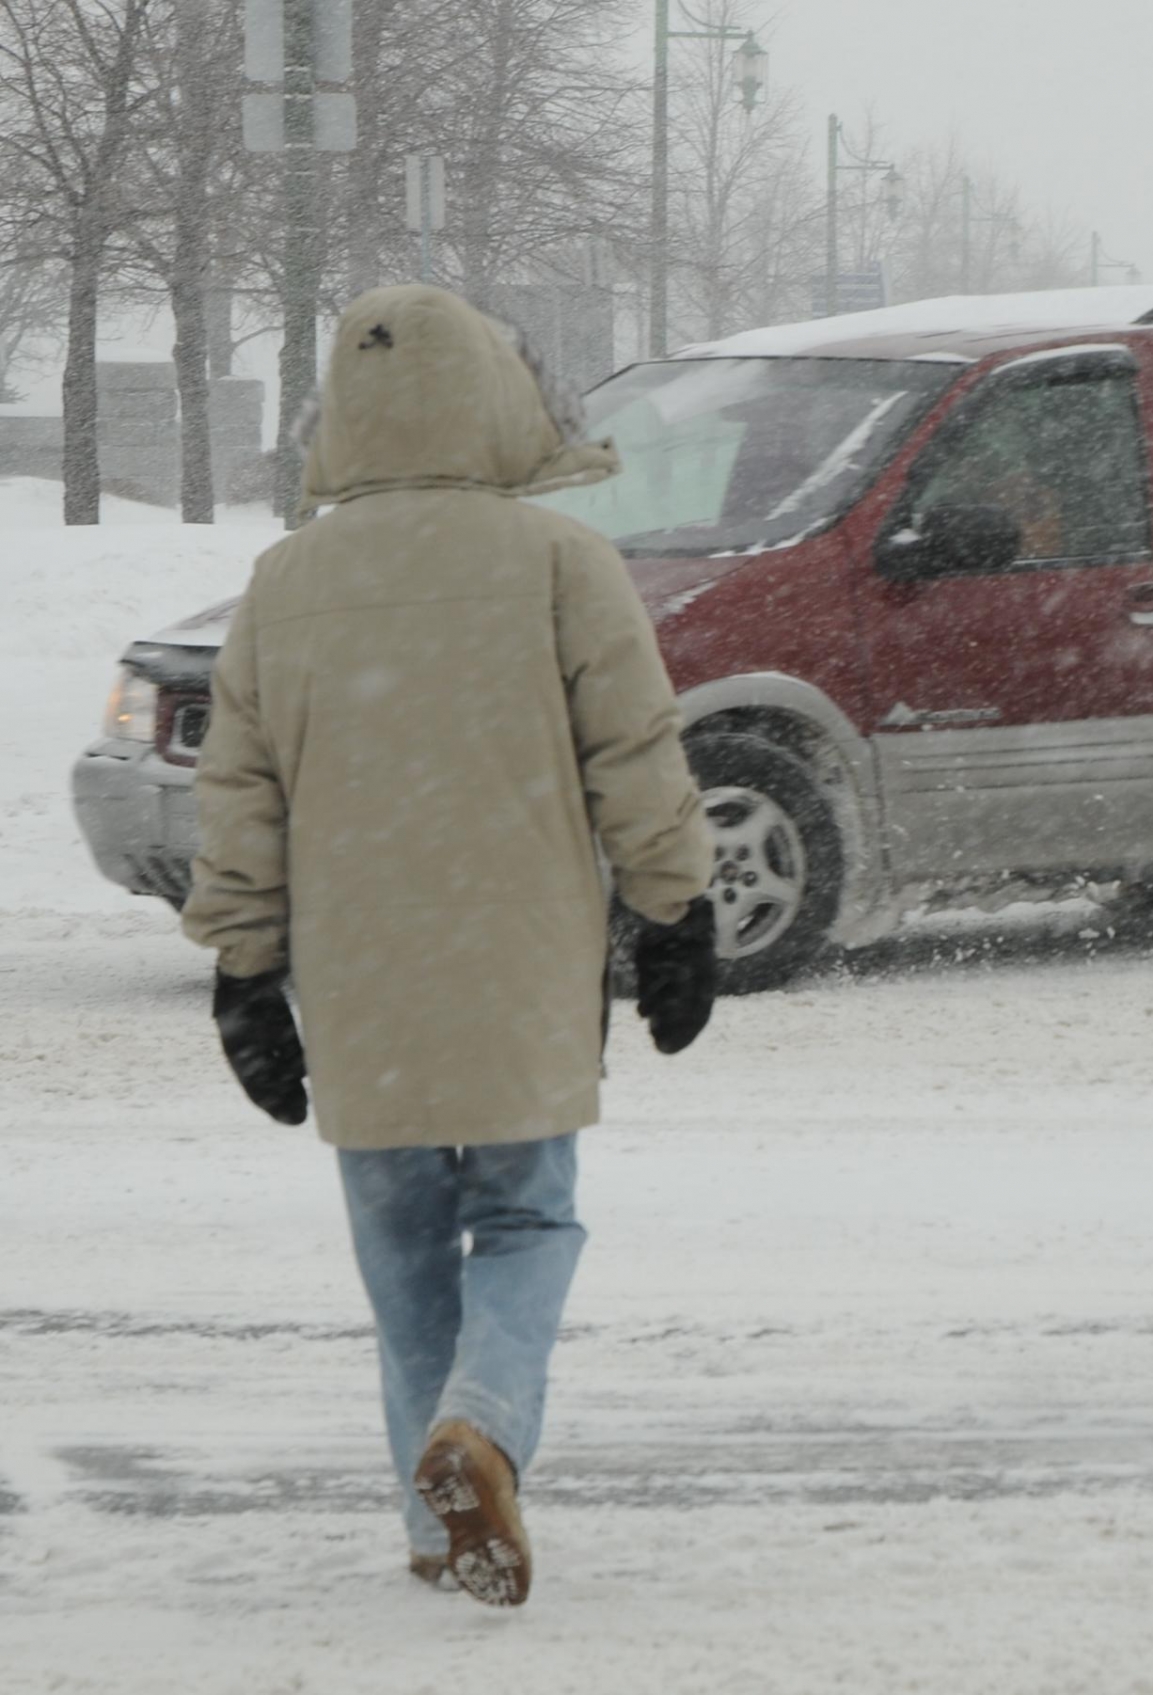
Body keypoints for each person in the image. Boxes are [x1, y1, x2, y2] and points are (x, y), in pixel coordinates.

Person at [181, 284, 719, 1608]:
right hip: (524, 962)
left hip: (359, 984)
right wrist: (674, 906)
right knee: (529, 1216)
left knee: (404, 1252)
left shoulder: (284, 583)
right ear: (493, 401)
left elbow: (237, 789)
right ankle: (480, 1426)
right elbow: (634, 754)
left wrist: (243, 968)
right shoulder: (558, 564)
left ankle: (439, 1526)